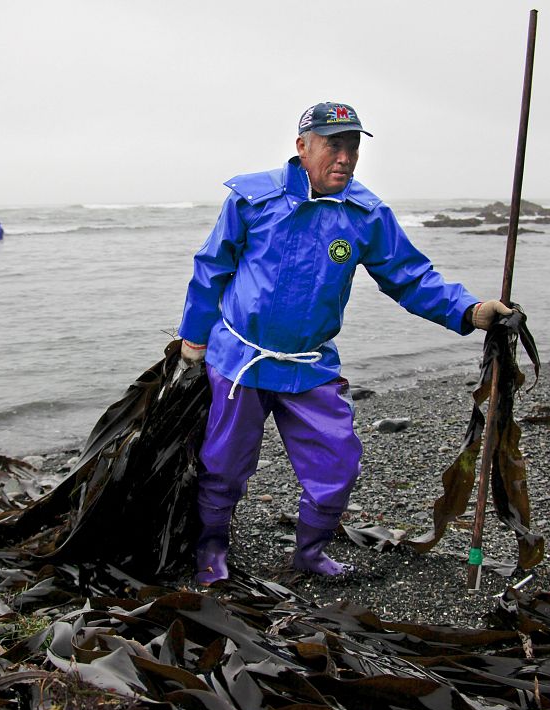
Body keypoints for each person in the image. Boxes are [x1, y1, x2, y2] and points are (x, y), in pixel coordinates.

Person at [178, 101, 512, 586]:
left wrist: (468, 310)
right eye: (334, 144)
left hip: (311, 365)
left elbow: (410, 277)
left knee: (338, 463)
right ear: (302, 147)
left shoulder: (366, 213)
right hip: (240, 360)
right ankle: (211, 549)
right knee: (223, 467)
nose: (345, 157)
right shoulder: (252, 200)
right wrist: (193, 339)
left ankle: (310, 552)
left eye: (352, 146)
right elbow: (212, 268)